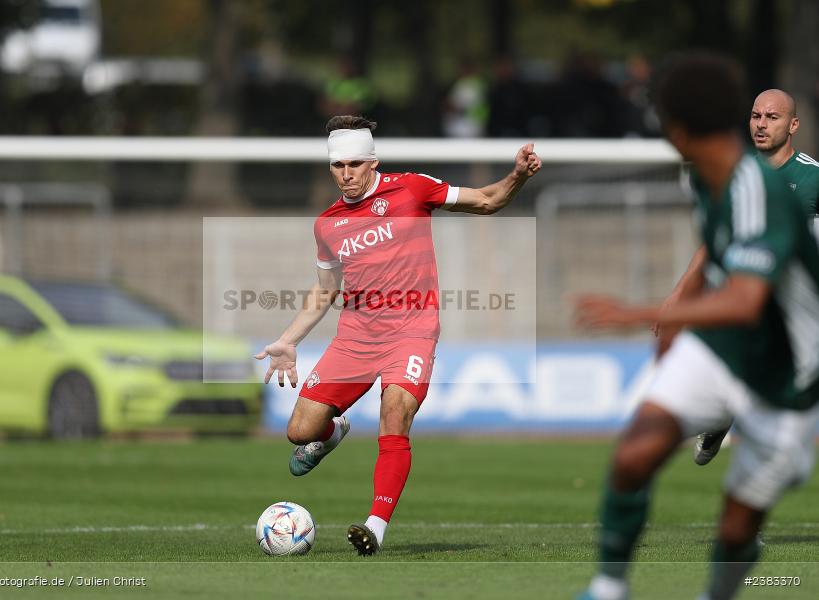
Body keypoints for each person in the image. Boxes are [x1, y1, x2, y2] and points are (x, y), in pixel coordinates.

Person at [574, 53, 819, 600]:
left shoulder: (770, 190)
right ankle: (608, 587)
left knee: (735, 527)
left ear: (679, 129)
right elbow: (716, 264)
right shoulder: (712, 180)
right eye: (754, 115)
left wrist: (640, 313)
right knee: (635, 452)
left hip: (786, 372)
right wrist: (675, 316)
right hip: (722, 349)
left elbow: (746, 301)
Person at [254, 115, 541, 556]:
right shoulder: (328, 224)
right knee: (299, 431)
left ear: (373, 162)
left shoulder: (412, 188)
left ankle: (375, 525)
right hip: (356, 337)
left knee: (395, 415)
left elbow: (486, 200)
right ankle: (330, 435)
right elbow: (327, 289)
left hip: (412, 330)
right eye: (337, 166)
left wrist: (517, 175)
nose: (345, 174)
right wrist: (289, 339)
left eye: (353, 164)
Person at [656, 87, 819, 465]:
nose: (761, 125)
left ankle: (726, 414)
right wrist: (679, 292)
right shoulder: (733, 175)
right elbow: (713, 244)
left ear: (793, 125)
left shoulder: (812, 178)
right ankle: (723, 412)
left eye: (772, 117)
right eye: (755, 116)